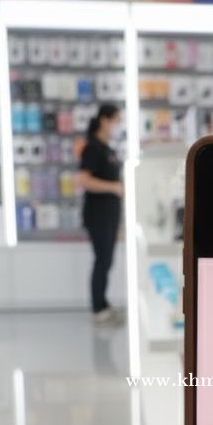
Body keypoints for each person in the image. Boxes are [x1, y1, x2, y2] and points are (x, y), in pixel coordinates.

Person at [76, 103, 125, 326]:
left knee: (107, 261)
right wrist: (113, 187)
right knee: (102, 260)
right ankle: (98, 309)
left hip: (110, 215)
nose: (118, 125)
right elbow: (83, 180)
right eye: (116, 120)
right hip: (98, 215)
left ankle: (103, 304)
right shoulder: (93, 148)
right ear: (104, 120)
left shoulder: (107, 148)